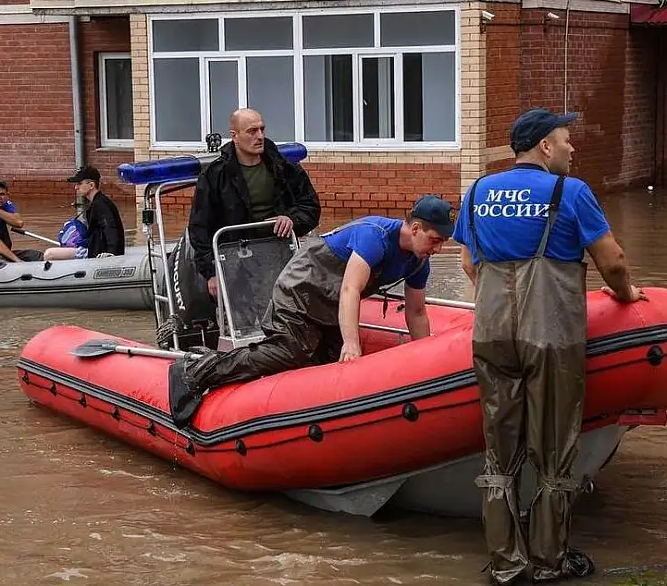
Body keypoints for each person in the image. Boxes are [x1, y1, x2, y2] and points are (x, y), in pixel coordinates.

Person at [452, 108, 644, 585]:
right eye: (566, 140)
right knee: (554, 447)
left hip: (492, 333)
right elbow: (612, 260)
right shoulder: (572, 193)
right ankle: (546, 560)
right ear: (544, 147)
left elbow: (469, 264)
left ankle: (504, 561)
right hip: (551, 334)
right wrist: (627, 295)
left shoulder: (477, 192)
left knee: (499, 449)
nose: (572, 148)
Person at [167, 195, 454, 428]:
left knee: (329, 369)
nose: (438, 249)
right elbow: (350, 290)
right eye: (435, 240)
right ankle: (197, 370)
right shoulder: (374, 236)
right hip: (301, 290)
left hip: (329, 307)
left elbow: (416, 313)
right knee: (289, 351)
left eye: (443, 243)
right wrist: (352, 343)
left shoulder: (418, 261)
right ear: (415, 228)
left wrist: (425, 359)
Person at [188, 108, 321, 300]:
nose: (259, 136)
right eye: (252, 131)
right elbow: (200, 228)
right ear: (234, 136)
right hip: (235, 260)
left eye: (262, 129)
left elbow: (311, 206)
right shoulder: (215, 176)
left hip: (278, 254)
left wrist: (292, 219)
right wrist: (211, 273)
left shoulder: (283, 167)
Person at [44, 165, 126, 261]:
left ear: (91, 185)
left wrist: (111, 252)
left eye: (79, 183)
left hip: (98, 252)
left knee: (49, 254)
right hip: (95, 248)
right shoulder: (97, 202)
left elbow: (111, 227)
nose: (76, 187)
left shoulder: (101, 204)